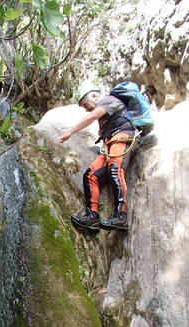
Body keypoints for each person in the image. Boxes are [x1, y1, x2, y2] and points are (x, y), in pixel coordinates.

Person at [56, 82, 136, 231]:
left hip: (122, 136)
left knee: (115, 169)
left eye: (85, 104)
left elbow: (92, 115)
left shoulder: (108, 100)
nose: (86, 109)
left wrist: (70, 132)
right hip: (110, 144)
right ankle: (92, 216)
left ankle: (121, 215)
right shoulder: (104, 113)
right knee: (90, 174)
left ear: (94, 96)